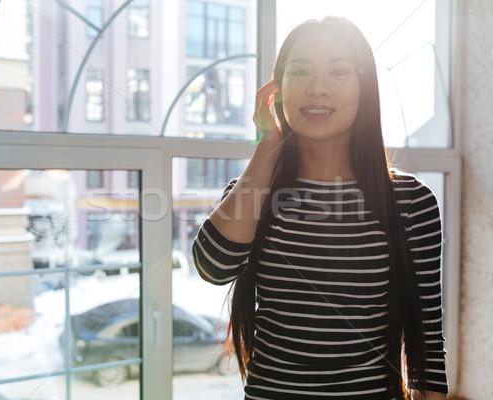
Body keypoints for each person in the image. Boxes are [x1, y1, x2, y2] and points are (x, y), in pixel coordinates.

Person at [192, 16, 448, 400]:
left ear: (365, 88)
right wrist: (266, 146)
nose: (318, 88)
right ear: (277, 90)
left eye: (339, 71)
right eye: (300, 71)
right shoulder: (255, 189)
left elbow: (427, 340)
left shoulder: (411, 202)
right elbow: (213, 267)